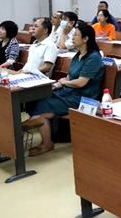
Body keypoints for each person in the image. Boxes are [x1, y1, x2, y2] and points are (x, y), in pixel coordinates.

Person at [24, 23, 104, 156]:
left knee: (43, 105)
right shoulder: (78, 55)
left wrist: (65, 83)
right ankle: (39, 123)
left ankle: (47, 142)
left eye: (76, 35)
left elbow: (81, 83)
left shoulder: (93, 58)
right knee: (40, 97)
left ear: (85, 39)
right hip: (70, 91)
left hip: (82, 97)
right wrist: (57, 85)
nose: (72, 38)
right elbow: (69, 76)